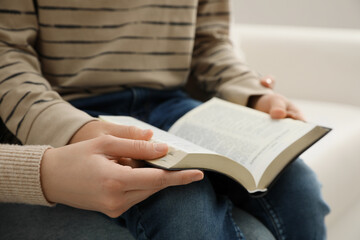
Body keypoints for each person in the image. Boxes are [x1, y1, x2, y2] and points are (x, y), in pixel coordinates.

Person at [0, 1, 329, 239]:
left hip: (170, 102)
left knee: (297, 184)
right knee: (182, 200)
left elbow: (210, 42)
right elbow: (7, 54)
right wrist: (73, 130)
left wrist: (253, 94)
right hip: (71, 107)